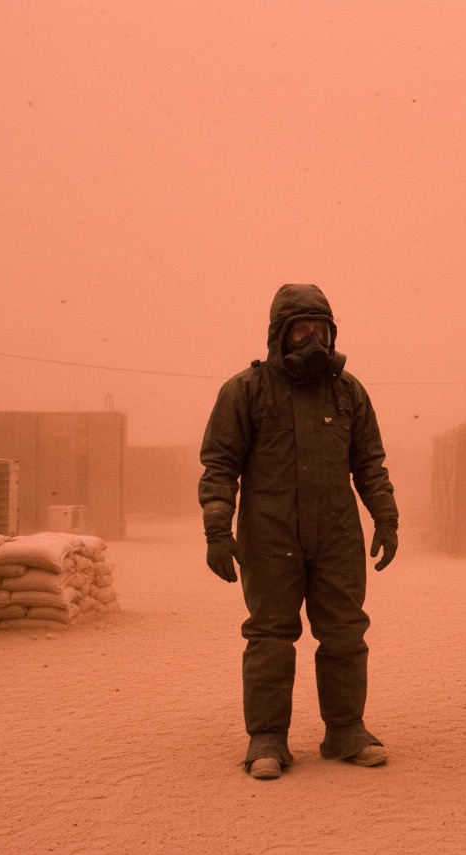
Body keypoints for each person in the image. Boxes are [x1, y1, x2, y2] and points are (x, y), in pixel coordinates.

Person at [198, 283, 400, 781]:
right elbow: (220, 465)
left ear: (333, 334)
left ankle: (346, 730)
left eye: (321, 330)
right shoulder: (245, 391)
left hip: (336, 533)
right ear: (279, 335)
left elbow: (369, 463)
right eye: (301, 330)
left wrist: (386, 517)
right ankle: (266, 738)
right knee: (270, 635)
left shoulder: (348, 391)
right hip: (269, 534)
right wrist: (217, 531)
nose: (313, 341)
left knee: (345, 633)